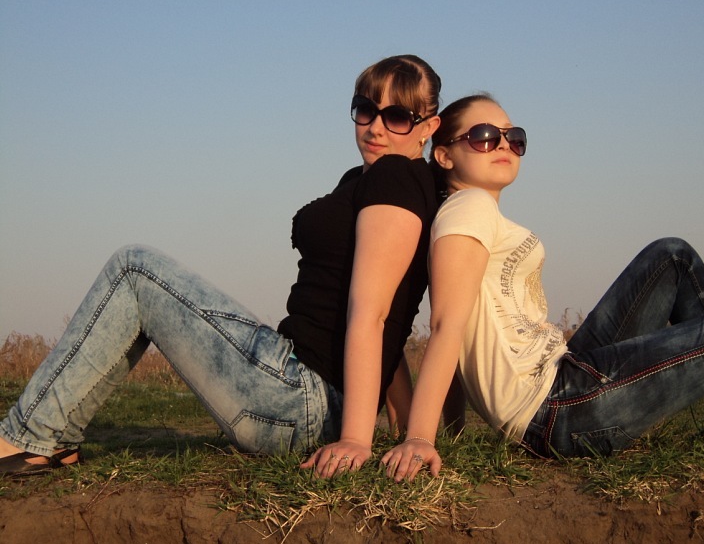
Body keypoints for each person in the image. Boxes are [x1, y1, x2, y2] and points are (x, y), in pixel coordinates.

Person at [0, 54, 442, 479]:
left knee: (134, 270)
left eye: (397, 117)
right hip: (301, 389)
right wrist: (401, 427)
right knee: (136, 274)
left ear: (428, 127)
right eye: (365, 110)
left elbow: (373, 314)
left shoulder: (396, 178)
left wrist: (356, 440)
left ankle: (30, 436)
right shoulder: (369, 179)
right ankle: (52, 436)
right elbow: (392, 316)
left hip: (300, 397)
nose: (375, 127)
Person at [380, 93, 704, 481]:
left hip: (563, 375)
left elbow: (461, 341)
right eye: (485, 136)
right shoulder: (467, 209)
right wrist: (420, 437)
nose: (504, 145)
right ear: (444, 155)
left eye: (514, 137)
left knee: (672, 258)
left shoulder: (475, 213)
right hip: (554, 409)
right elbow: (447, 326)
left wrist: (452, 432)